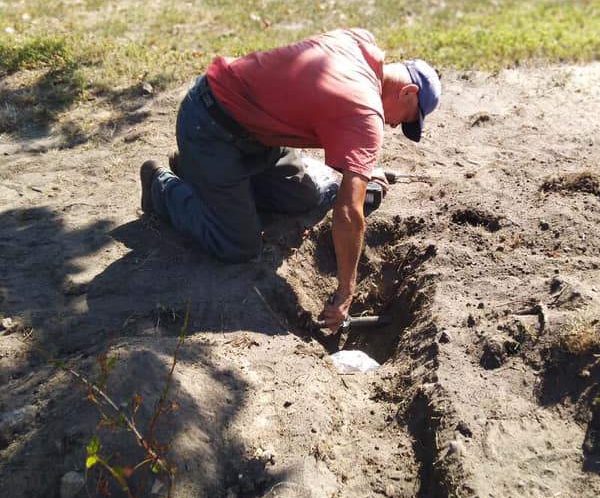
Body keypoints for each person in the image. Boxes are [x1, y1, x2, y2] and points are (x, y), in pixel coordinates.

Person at [140, 28, 440, 332]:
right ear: (408, 92)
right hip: (210, 124)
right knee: (237, 244)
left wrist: (359, 166)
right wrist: (346, 291)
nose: (393, 124)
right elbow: (349, 213)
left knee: (305, 197)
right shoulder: (367, 113)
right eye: (406, 118)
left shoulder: (360, 42)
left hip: (257, 133)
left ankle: (202, 174)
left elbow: (323, 98)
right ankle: (161, 186)